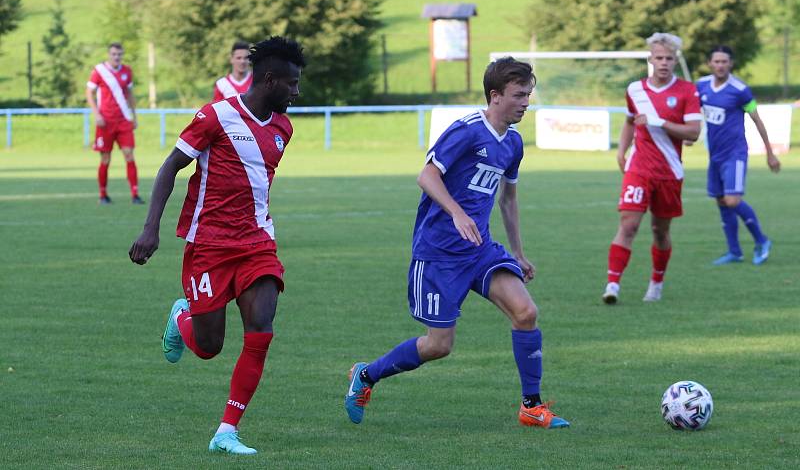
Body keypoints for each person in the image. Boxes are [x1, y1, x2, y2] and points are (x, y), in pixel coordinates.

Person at [344, 57, 570, 430]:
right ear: (495, 96)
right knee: (439, 346)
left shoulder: (513, 143)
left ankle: (531, 406)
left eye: (529, 94)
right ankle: (366, 375)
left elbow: (508, 199)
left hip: (480, 249)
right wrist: (456, 212)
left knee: (526, 312)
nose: (526, 102)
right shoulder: (466, 131)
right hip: (438, 254)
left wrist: (517, 251)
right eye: (518, 95)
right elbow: (427, 176)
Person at [129, 36, 305, 455]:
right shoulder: (215, 116)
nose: (297, 92)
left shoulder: (284, 127)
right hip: (208, 244)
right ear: (269, 80)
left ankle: (226, 431)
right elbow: (171, 166)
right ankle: (182, 316)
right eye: (292, 83)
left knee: (261, 329)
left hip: (257, 242)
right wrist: (151, 228)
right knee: (209, 348)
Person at [602, 33, 702, 304]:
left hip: (669, 171)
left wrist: (659, 122)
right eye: (659, 58)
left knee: (660, 231)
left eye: (669, 58)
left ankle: (656, 282)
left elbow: (693, 133)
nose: (664, 63)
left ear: (675, 61)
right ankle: (612, 285)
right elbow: (631, 121)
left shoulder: (687, 91)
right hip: (639, 168)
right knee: (629, 224)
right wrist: (622, 150)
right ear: (651, 59)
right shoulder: (635, 89)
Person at [696, 45, 781, 265]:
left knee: (732, 200)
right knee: (721, 201)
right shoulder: (701, 86)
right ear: (710, 64)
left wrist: (770, 153)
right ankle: (734, 251)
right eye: (717, 61)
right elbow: (693, 112)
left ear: (731, 64)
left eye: (725, 61)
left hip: (735, 153)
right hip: (714, 155)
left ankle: (762, 240)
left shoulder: (740, 89)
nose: (721, 65)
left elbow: (757, 119)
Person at [86, 42, 144, 204]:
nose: (116, 57)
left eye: (119, 54)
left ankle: (135, 194)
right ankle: (103, 195)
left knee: (129, 154)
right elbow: (89, 92)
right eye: (113, 54)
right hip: (105, 122)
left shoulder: (127, 71)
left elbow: (130, 94)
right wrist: (96, 113)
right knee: (105, 158)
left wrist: (134, 116)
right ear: (108, 55)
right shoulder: (99, 71)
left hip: (124, 120)